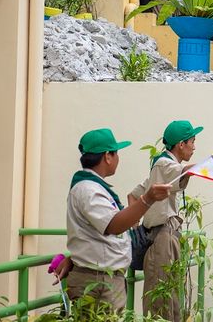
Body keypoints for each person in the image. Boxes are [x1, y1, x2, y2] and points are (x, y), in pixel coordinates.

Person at [128, 121, 213, 321]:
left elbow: (133, 195)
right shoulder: (164, 164)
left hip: (165, 236)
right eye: (192, 141)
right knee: (161, 303)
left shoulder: (161, 167)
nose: (194, 147)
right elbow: (187, 170)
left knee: (170, 299)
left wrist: (134, 225)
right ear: (181, 144)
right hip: (162, 237)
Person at [57, 128, 172, 312]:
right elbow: (114, 225)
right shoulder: (88, 190)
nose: (118, 158)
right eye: (116, 153)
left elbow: (93, 234)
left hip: (103, 278)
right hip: (99, 281)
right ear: (107, 156)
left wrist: (75, 257)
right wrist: (147, 199)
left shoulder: (93, 187)